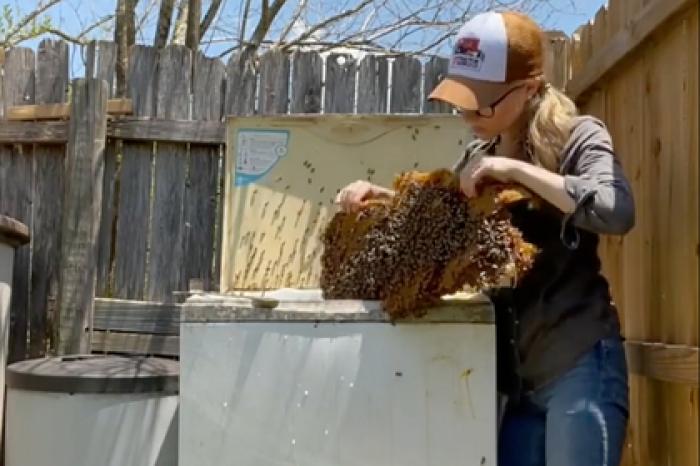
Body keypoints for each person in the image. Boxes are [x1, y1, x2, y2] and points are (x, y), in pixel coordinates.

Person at [335, 10, 635, 466]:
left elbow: (616, 209)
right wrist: (376, 199)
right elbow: (441, 224)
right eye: (463, 100)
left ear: (529, 88)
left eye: (483, 102)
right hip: (517, 386)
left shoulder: (578, 136)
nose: (468, 113)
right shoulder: (478, 154)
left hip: (579, 368)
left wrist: (516, 171)